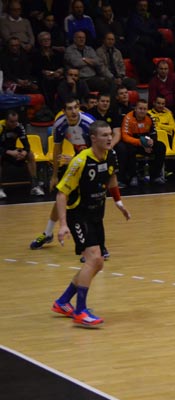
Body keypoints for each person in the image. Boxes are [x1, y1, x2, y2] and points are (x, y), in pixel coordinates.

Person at [51, 121, 130, 326]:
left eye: (110, 134)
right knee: (94, 259)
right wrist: (63, 225)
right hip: (78, 215)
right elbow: (61, 194)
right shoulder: (80, 161)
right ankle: (80, 311)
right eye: (104, 135)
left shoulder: (110, 155)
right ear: (93, 138)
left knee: (98, 262)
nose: (109, 138)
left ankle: (62, 302)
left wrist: (119, 203)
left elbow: (111, 178)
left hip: (96, 215)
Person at [30, 97, 95, 251]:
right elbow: (57, 149)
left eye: (75, 107)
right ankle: (48, 233)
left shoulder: (89, 123)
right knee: (62, 195)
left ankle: (94, 241)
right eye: (69, 108)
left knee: (89, 202)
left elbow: (98, 149)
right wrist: (54, 175)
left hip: (93, 160)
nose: (73, 111)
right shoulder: (59, 124)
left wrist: (75, 159)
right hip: (78, 159)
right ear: (64, 111)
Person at [118, 99, 167, 186]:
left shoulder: (149, 117)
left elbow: (153, 134)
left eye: (145, 109)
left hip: (145, 143)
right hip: (133, 143)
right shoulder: (128, 118)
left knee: (161, 146)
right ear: (135, 109)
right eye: (140, 108)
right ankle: (133, 176)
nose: (142, 111)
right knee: (129, 149)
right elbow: (125, 137)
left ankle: (155, 176)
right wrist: (140, 143)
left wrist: (151, 142)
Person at [0, 110, 42, 199]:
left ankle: (34, 186)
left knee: (30, 154)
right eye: (12, 122)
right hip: (3, 152)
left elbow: (26, 144)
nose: (14, 124)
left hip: (13, 151)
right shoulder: (1, 126)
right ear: (6, 121)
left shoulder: (19, 126)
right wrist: (9, 152)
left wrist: (24, 152)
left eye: (16, 121)